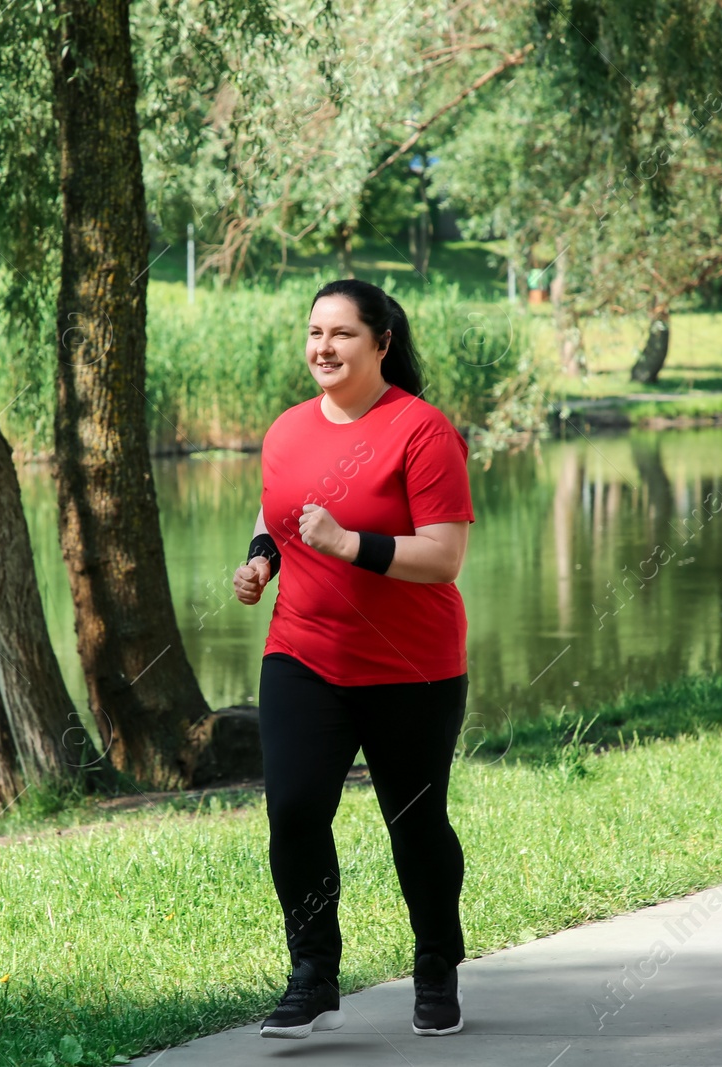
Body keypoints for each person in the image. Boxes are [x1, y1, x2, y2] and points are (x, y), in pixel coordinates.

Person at [232, 278, 475, 1040]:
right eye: (314, 333)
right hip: (303, 653)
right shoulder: (286, 431)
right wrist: (261, 561)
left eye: (340, 334)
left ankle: (436, 962)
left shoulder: (422, 430)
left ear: (381, 342)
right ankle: (312, 973)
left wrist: (349, 545)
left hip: (413, 667)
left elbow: (443, 557)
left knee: (415, 822)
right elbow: (279, 518)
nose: (323, 348)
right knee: (295, 810)